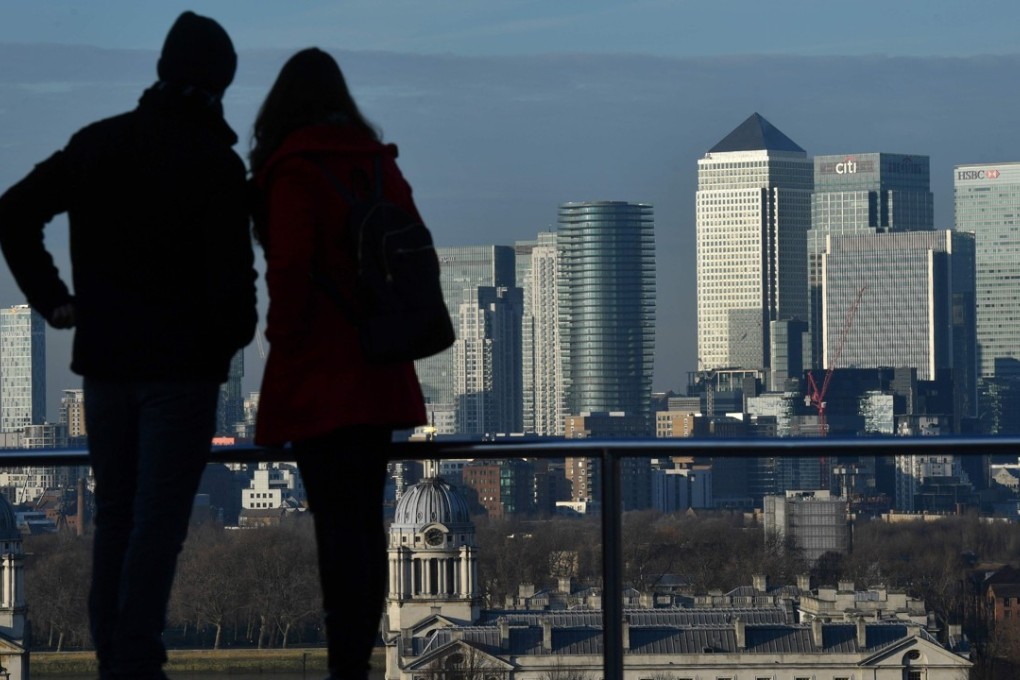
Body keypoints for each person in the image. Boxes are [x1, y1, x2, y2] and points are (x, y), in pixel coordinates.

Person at [0, 11, 257, 680]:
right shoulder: (217, 165)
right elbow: (237, 293)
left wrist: (54, 299)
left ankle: (118, 658)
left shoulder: (99, 144)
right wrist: (218, 348)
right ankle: (135, 658)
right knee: (158, 524)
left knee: (115, 517)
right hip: (181, 374)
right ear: (219, 83)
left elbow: (13, 212)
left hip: (107, 367)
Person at [249, 48, 427, 680]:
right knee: (364, 524)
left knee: (336, 530)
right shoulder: (379, 166)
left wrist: (281, 346)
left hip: (321, 375)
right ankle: (357, 663)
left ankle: (344, 667)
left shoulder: (292, 170)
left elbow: (290, 273)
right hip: (379, 368)